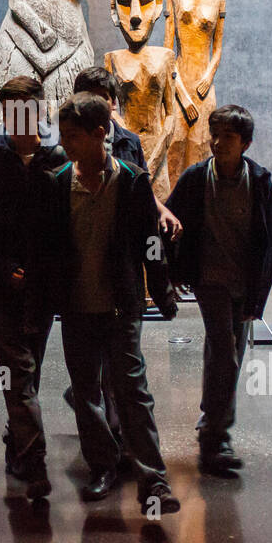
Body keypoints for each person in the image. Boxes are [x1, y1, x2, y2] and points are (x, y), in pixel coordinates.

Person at [53, 92, 180, 514]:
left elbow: (151, 243)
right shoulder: (57, 184)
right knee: (87, 395)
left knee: (133, 394)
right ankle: (102, 466)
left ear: (100, 133)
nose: (64, 143)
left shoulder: (131, 180)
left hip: (120, 309)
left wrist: (161, 290)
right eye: (62, 134)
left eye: (72, 135)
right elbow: (45, 248)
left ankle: (154, 481)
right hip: (76, 309)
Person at [0, 76, 66, 501]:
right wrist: (3, 269)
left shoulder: (56, 158)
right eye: (11, 112)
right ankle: (35, 460)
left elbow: (64, 228)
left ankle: (16, 442)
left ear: (39, 111)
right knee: (20, 372)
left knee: (30, 369)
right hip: (4, 289)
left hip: (41, 291)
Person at [164, 105, 272, 475]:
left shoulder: (259, 182)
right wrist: (173, 271)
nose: (217, 143)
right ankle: (215, 438)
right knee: (224, 350)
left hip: (242, 283)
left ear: (245, 142)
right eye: (214, 135)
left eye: (227, 137)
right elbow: (167, 220)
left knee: (229, 354)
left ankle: (210, 423)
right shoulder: (197, 178)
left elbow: (268, 244)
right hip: (209, 279)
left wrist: (258, 298)